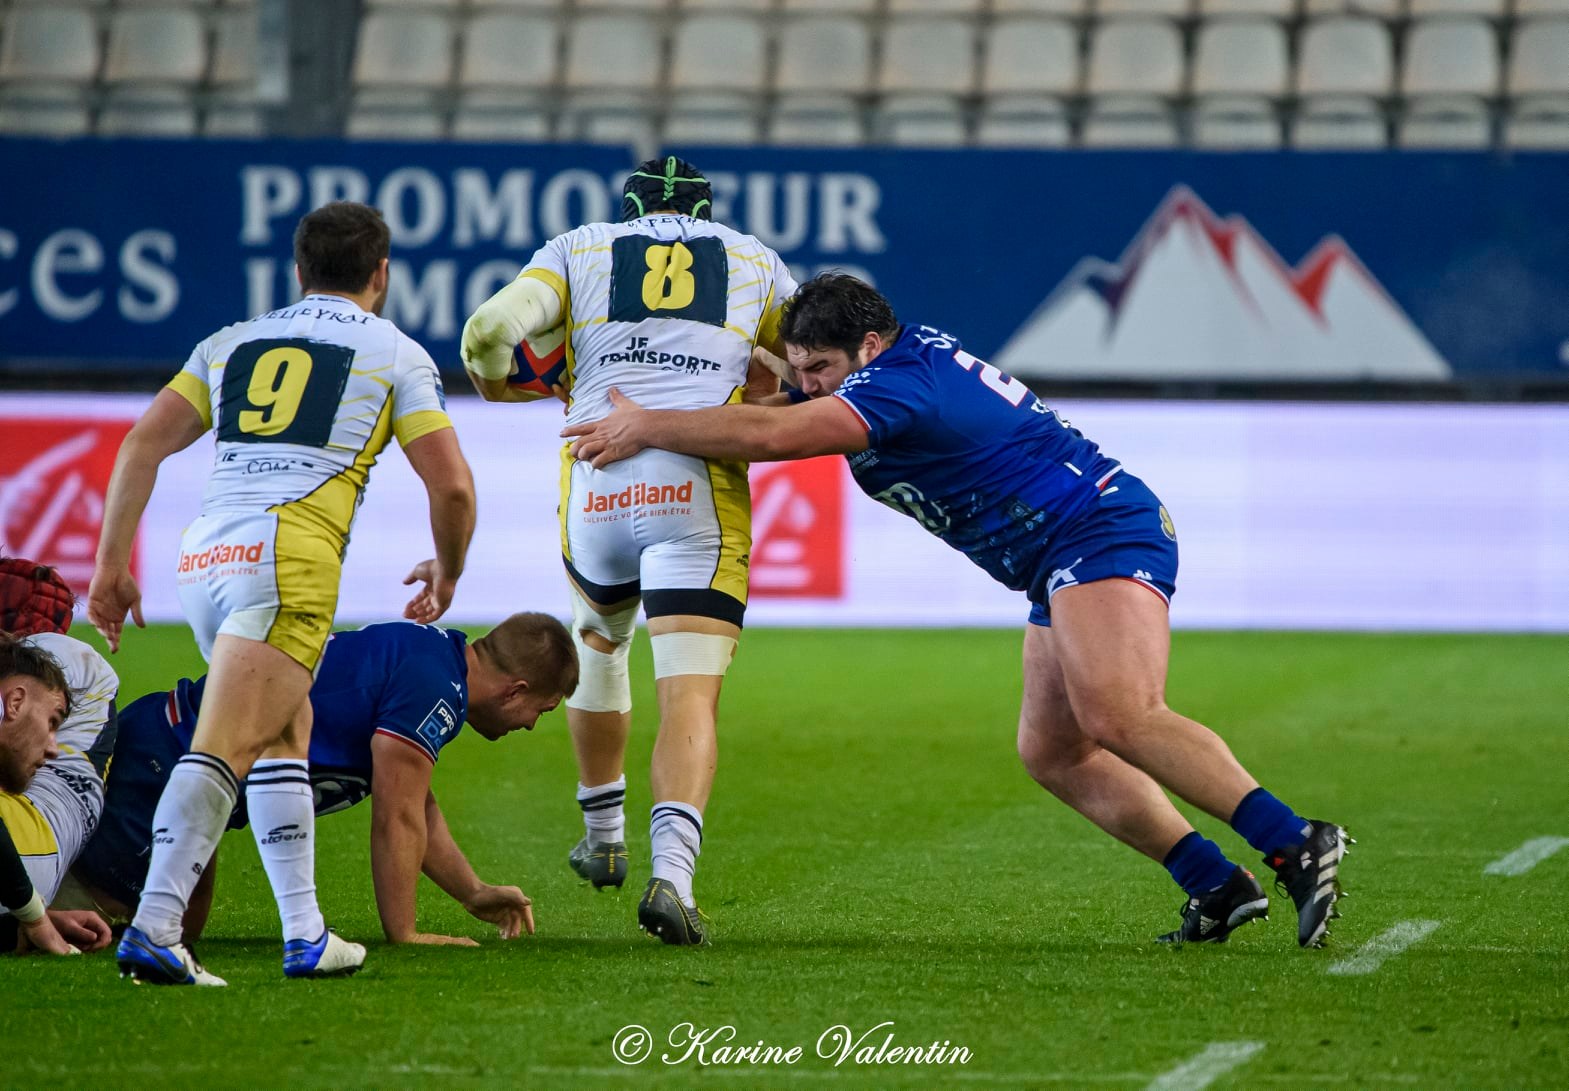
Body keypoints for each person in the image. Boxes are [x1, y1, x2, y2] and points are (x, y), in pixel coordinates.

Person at [564, 274, 1352, 949]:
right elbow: (778, 402)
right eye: (800, 366)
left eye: (820, 367)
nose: (806, 382)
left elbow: (780, 435)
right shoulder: (885, 364)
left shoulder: (898, 383)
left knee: (1120, 711)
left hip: (1098, 527)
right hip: (1055, 557)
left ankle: (1294, 841)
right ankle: (1216, 886)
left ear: (869, 346)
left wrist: (648, 421)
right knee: (1053, 751)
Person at [89, 201, 477, 986]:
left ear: (297, 272)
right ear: (382, 274)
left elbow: (141, 444)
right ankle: (158, 926)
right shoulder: (395, 353)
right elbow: (455, 489)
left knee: (283, 730)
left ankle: (306, 932)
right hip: (286, 558)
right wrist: (449, 567)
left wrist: (110, 567)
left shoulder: (229, 342)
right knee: (225, 744)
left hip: (204, 557)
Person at [460, 156, 798, 945]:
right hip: (696, 487)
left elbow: (487, 332)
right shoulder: (751, 258)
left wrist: (497, 383)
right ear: (708, 211)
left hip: (596, 486)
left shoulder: (580, 247)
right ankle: (671, 876)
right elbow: (816, 362)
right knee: (689, 694)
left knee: (601, 643)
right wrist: (767, 389)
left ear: (629, 209)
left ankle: (602, 831)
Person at [73, 613, 577, 948]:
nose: (531, 724)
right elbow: (397, 816)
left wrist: (472, 892)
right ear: (517, 690)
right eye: (542, 710)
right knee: (87, 926)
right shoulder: (438, 690)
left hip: (178, 758)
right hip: (164, 764)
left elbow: (415, 802)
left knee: (183, 933)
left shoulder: (435, 659)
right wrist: (405, 934)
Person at [0, 558, 118, 957]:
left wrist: (33, 916)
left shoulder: (57, 659)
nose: (50, 745)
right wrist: (33, 920)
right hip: (25, 867)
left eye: (55, 723)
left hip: (26, 841)